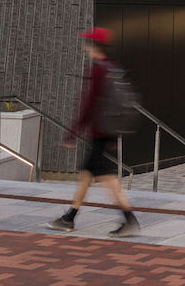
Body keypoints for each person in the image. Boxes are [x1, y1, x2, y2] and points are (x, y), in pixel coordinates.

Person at [50, 28, 139, 237]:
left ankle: (129, 218)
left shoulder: (98, 69)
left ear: (93, 46)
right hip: (107, 131)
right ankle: (69, 217)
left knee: (107, 178)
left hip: (99, 131)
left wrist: (73, 132)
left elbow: (89, 103)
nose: (84, 46)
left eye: (87, 43)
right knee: (86, 175)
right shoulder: (113, 67)